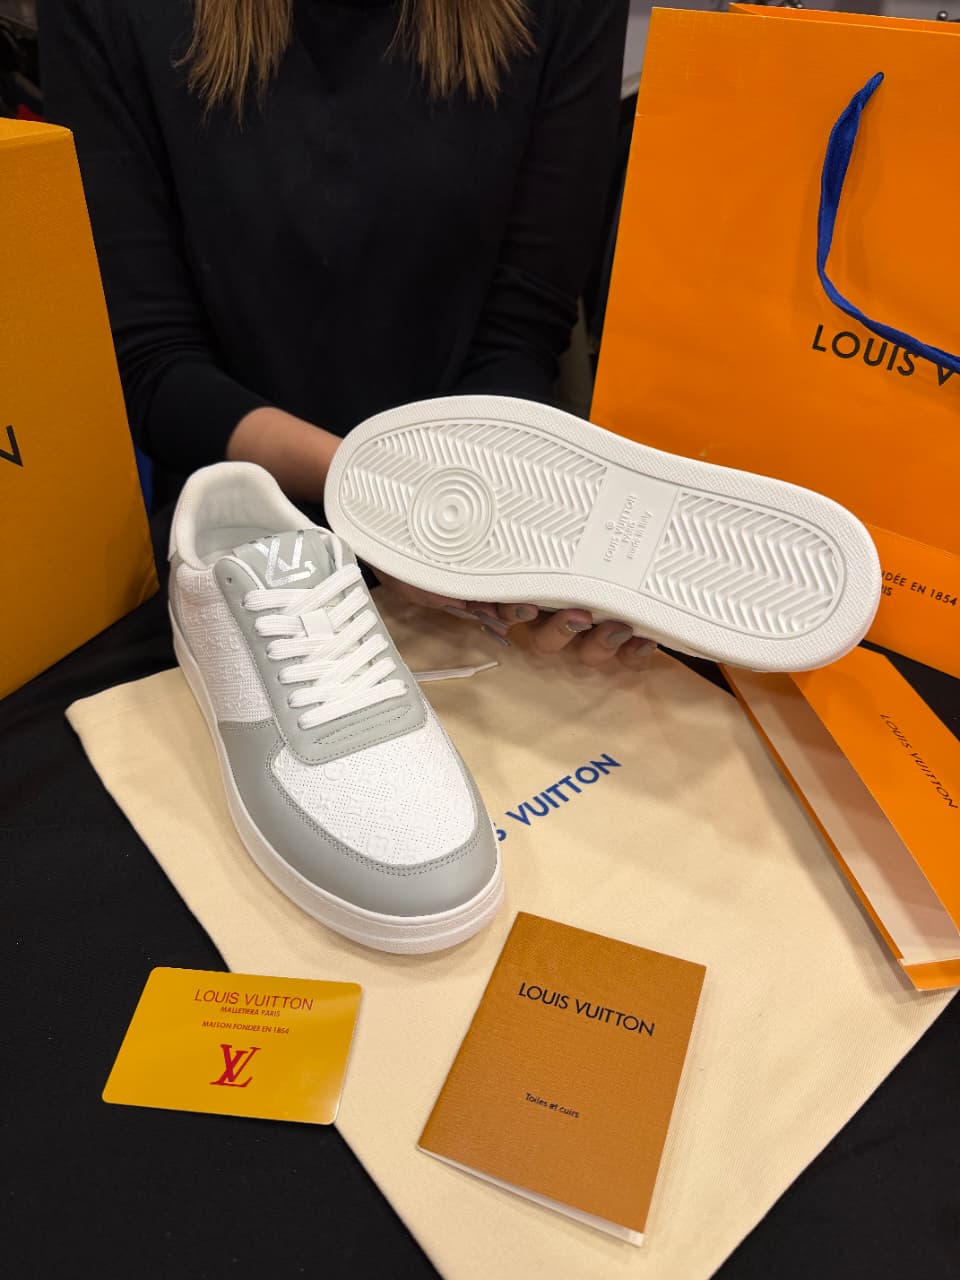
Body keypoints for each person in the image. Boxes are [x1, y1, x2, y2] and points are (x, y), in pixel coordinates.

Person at [40, 0, 652, 669]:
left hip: (469, 507)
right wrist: (381, 502)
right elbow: (151, 361)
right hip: (241, 551)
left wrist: (463, 513)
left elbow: (521, 330)